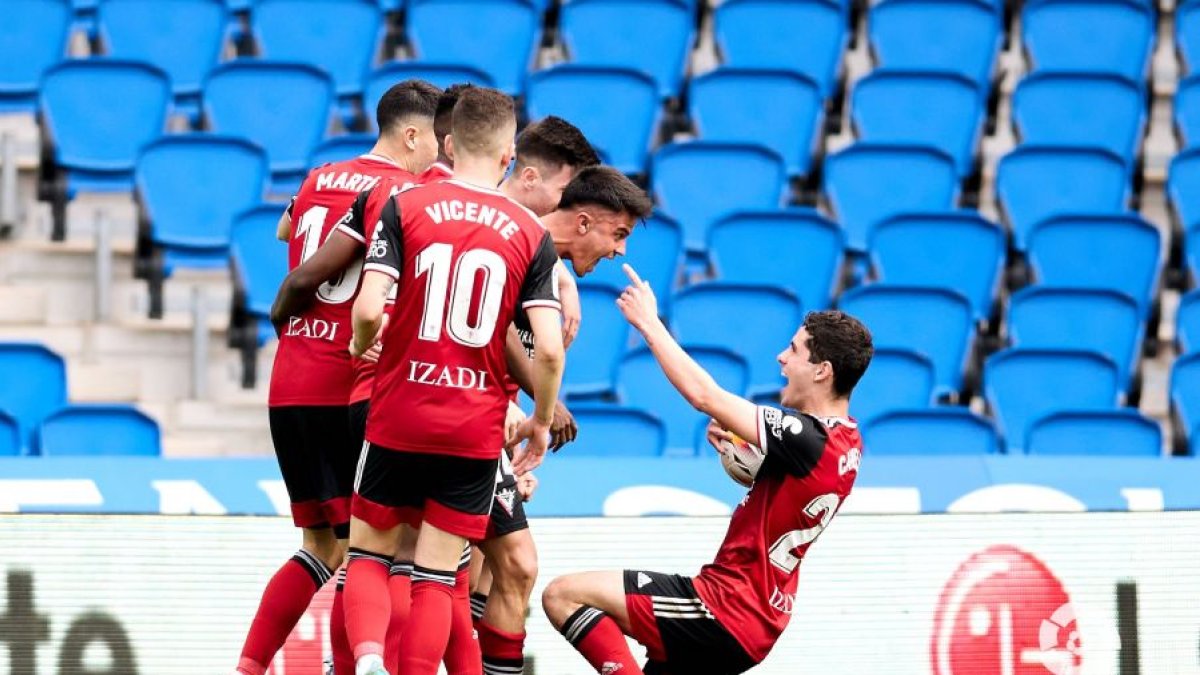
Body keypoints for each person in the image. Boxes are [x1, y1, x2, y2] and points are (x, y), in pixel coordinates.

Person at [542, 273, 873, 675]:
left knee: (564, 596)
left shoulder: (806, 435)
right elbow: (790, 497)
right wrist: (749, 462)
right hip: (758, 621)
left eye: (793, 350)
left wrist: (649, 323)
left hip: (723, 608)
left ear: (822, 371)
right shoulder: (850, 445)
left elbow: (705, 397)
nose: (781, 358)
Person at [342, 86, 566, 675]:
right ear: (508, 156)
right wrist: (541, 421)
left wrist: (364, 345)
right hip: (473, 426)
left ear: (446, 141)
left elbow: (367, 310)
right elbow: (547, 349)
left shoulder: (406, 204)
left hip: (400, 408)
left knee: (369, 550)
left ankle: (368, 658)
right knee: (439, 574)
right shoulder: (530, 232)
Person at [231, 79, 440, 675]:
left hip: (291, 376)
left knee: (321, 547)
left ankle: (248, 667)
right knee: (386, 549)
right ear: (411, 134)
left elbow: (284, 234)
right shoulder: (403, 189)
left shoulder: (320, 175)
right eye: (434, 143)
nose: (438, 157)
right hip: (348, 381)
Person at [473, 164, 653, 675]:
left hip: (477, 425)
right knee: (512, 566)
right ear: (581, 222)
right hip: (460, 418)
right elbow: (488, 331)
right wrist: (541, 413)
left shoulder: (543, 266)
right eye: (617, 234)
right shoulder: (520, 244)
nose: (620, 251)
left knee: (476, 575)